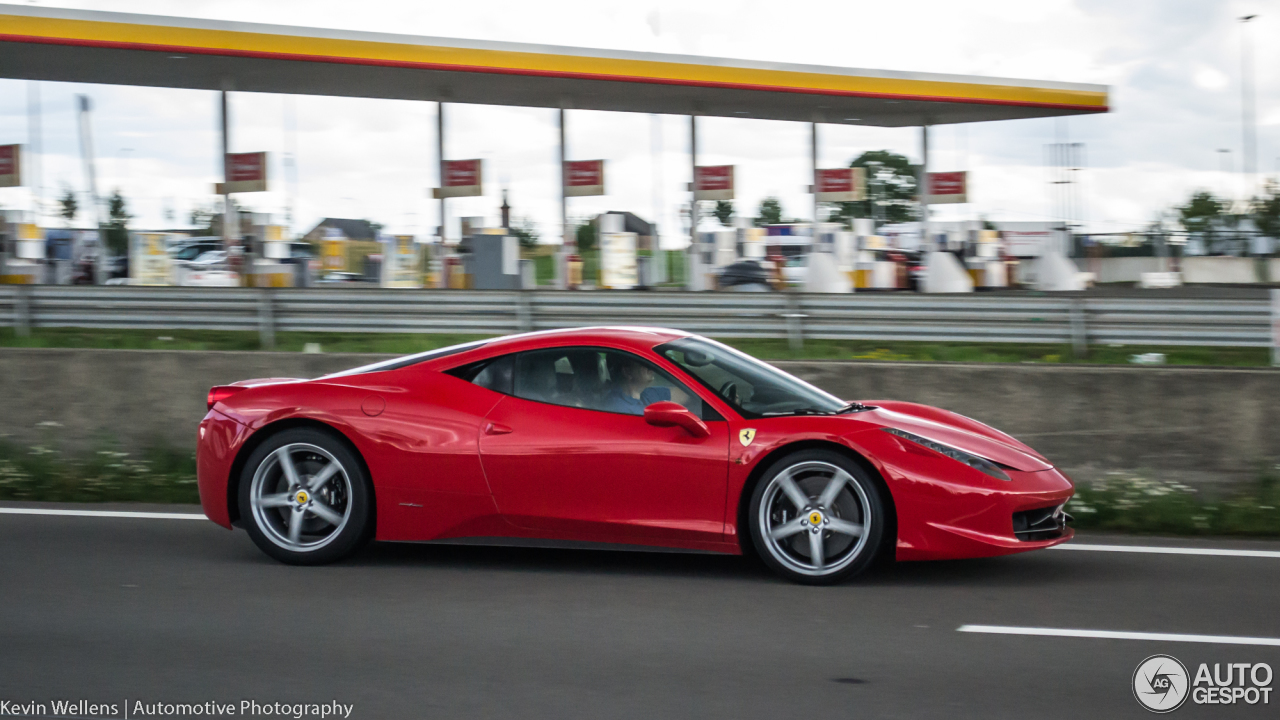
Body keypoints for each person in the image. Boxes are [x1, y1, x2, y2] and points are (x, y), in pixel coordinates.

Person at [603, 354, 691, 416]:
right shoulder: (617, 408)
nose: (650, 366)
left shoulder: (646, 394)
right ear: (628, 372)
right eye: (643, 362)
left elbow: (687, 394)